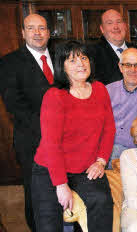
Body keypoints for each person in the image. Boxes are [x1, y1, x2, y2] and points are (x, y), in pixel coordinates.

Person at [31, 41, 115, 232]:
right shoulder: (54, 96)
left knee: (102, 203)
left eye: (83, 58)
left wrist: (101, 161)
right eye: (72, 60)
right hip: (50, 169)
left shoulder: (100, 89)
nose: (80, 64)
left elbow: (108, 129)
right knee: (49, 224)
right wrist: (61, 185)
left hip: (85, 167)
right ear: (62, 66)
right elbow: (51, 145)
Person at [0, 13, 54, 231]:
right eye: (31, 28)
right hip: (32, 139)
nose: (37, 33)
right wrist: (48, 129)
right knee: (36, 191)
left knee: (64, 187)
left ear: (49, 32)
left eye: (42, 28)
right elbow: (15, 104)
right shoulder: (9, 62)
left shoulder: (62, 56)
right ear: (22, 33)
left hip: (66, 138)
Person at [90, 9, 132, 85]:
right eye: (109, 23)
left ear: (125, 25)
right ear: (102, 29)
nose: (116, 27)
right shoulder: (92, 53)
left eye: (119, 22)